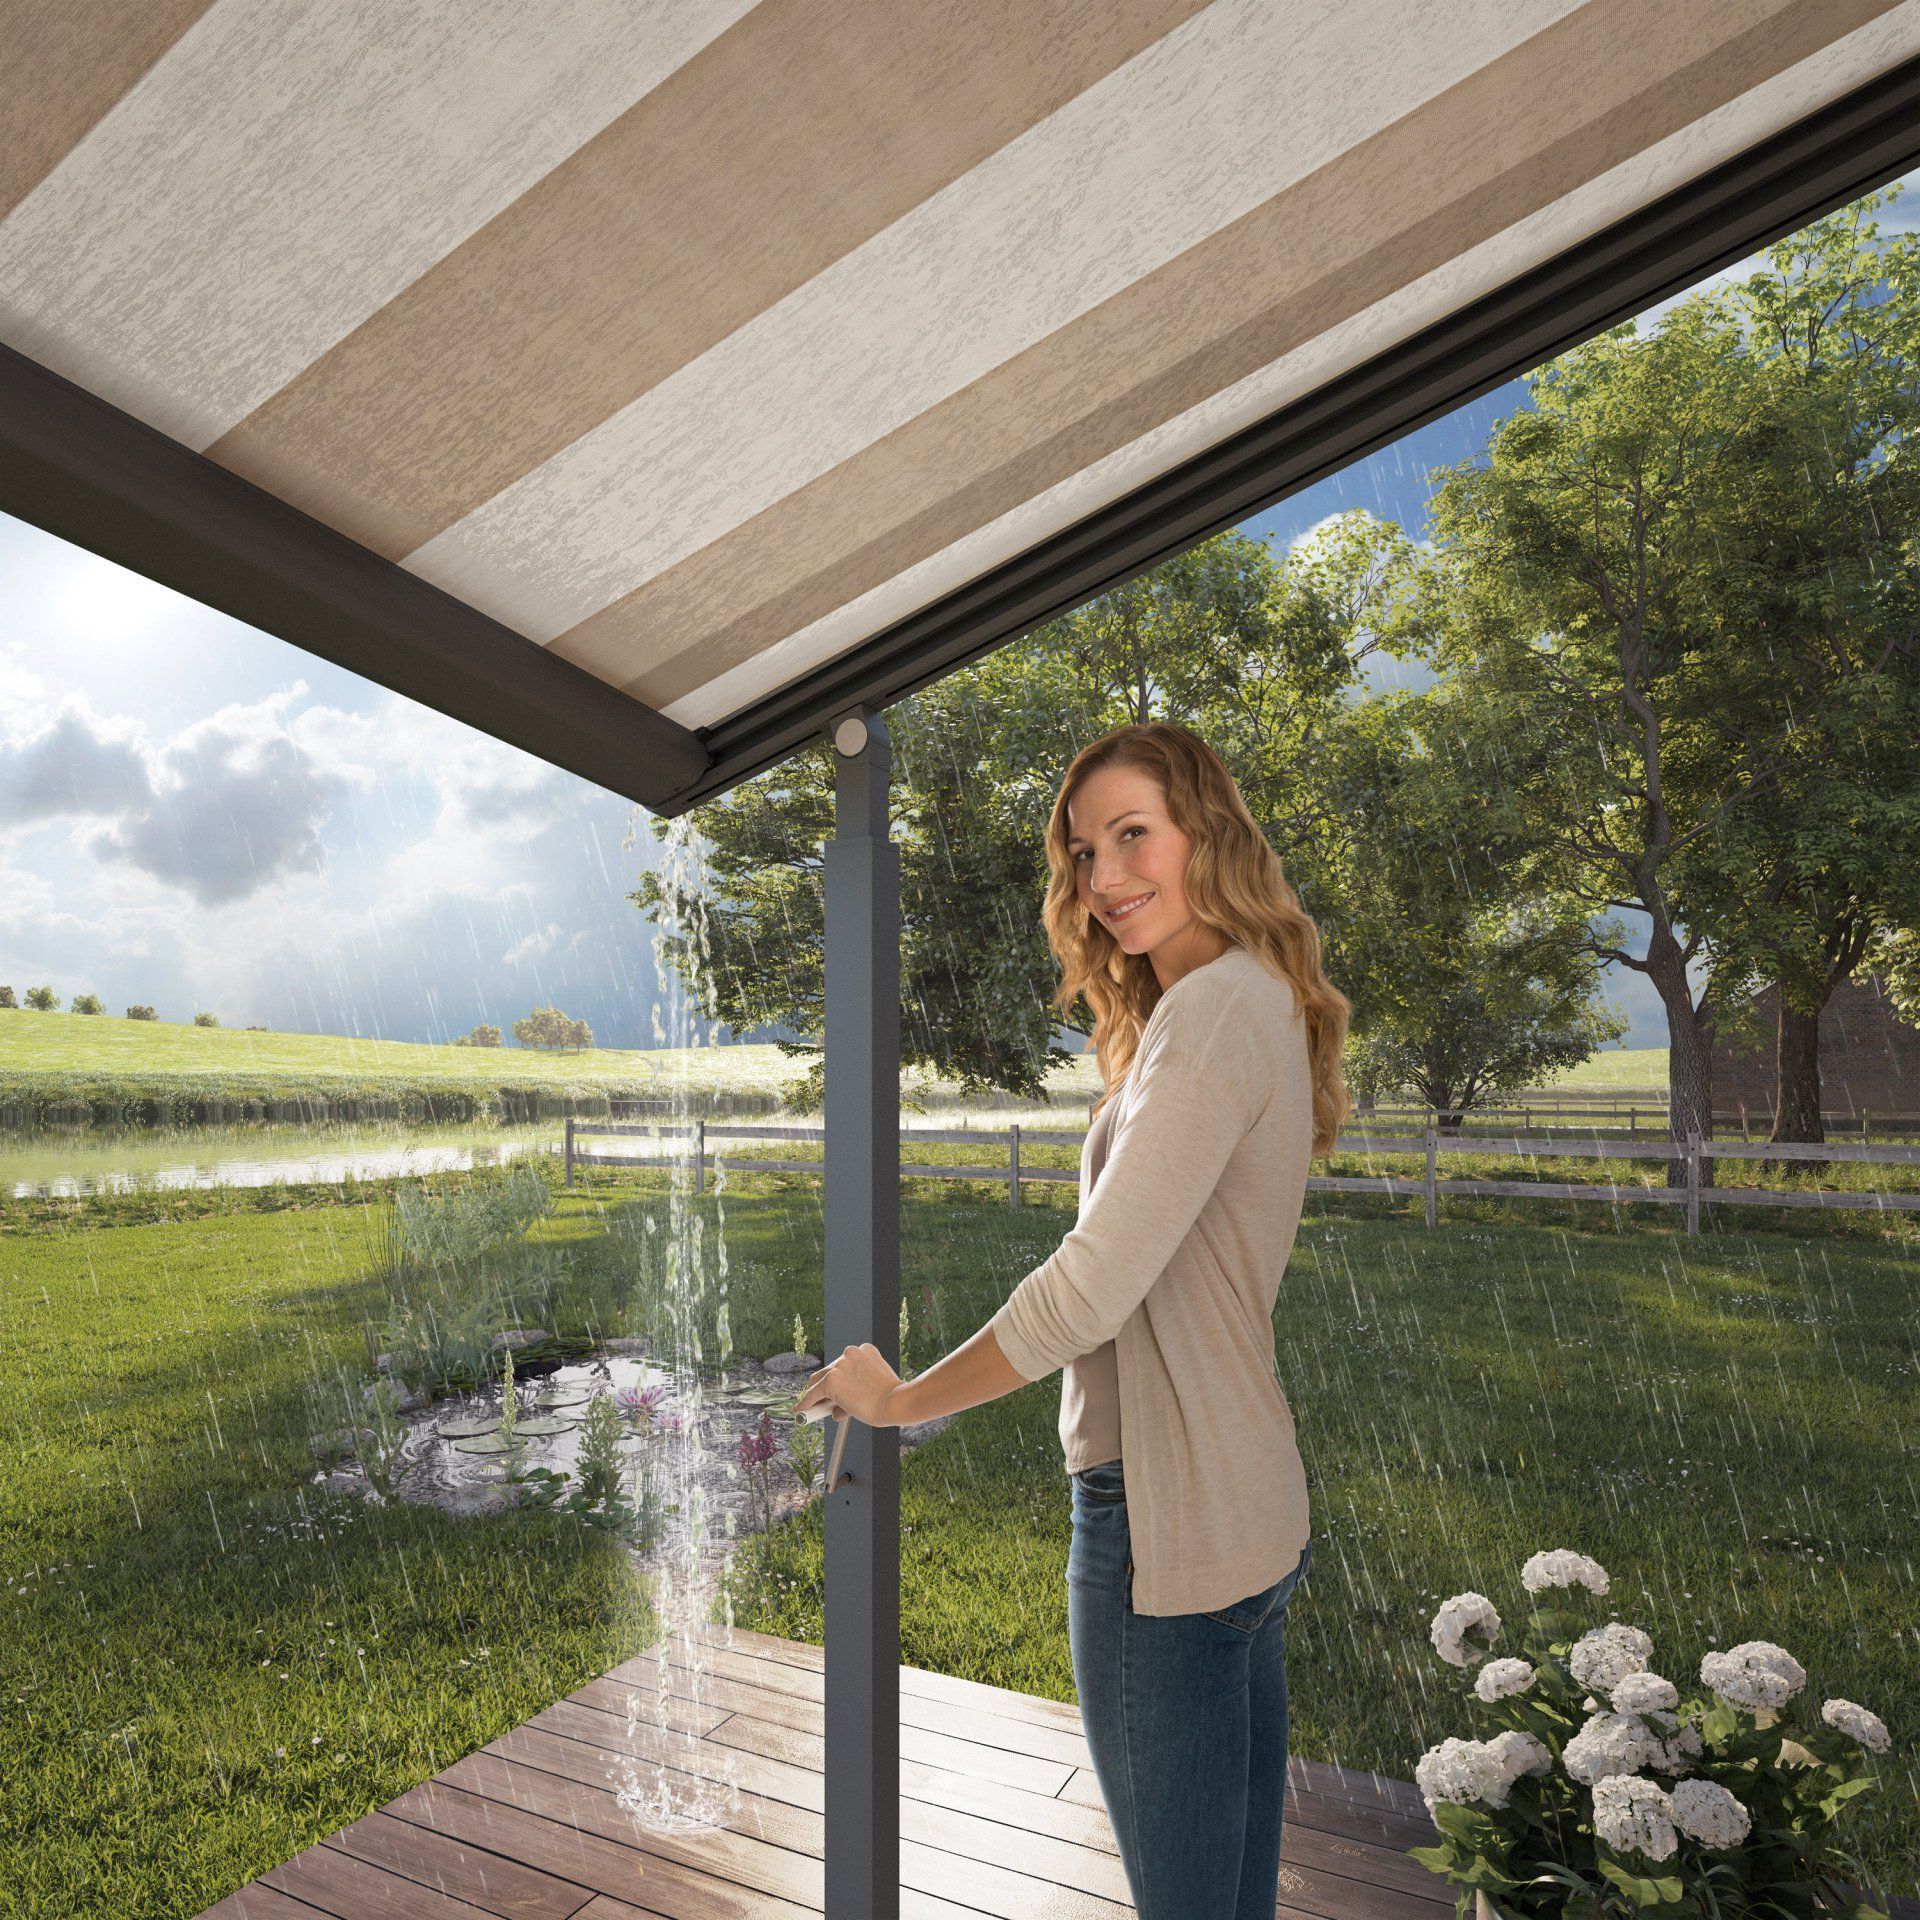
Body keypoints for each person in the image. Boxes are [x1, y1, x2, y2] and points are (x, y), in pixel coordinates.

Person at [793, 720, 1351, 1917]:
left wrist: (898, 1400)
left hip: (1165, 1524)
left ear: (1206, 831)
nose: (1104, 877)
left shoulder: (1213, 1011)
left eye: (1133, 835)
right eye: (1085, 852)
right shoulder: (1243, 999)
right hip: (1245, 1507)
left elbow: (1090, 1288)